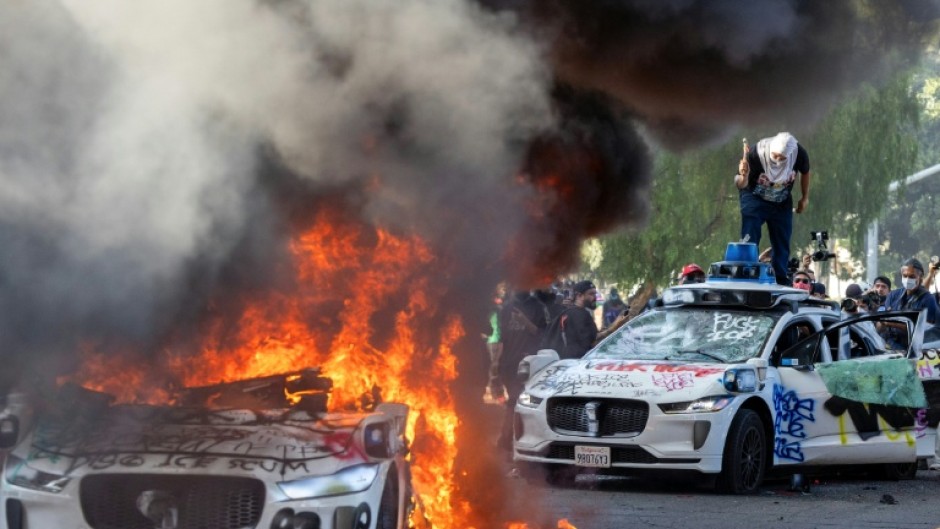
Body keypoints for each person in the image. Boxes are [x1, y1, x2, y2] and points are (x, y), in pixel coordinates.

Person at [735, 132, 811, 285]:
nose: (777, 160)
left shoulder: (799, 154)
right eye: (775, 156)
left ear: (789, 154)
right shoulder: (756, 153)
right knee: (751, 233)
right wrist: (744, 175)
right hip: (755, 198)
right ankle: (747, 272)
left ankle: (780, 277)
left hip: (781, 200)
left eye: (781, 158)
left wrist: (804, 197)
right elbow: (741, 185)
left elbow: (805, 172)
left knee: (782, 239)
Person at [496, 289, 549, 449]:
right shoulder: (506, 308)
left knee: (519, 403)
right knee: (512, 402)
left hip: (529, 365)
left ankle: (510, 441)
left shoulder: (538, 307)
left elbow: (544, 336)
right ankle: (509, 441)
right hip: (509, 364)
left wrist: (525, 322)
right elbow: (501, 339)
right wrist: (496, 365)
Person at [881, 258, 939, 349]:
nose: (908, 279)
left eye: (912, 277)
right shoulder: (893, 296)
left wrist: (892, 323)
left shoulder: (928, 299)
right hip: (889, 346)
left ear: (920, 278)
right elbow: (884, 322)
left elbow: (924, 330)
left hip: (913, 349)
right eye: (905, 276)